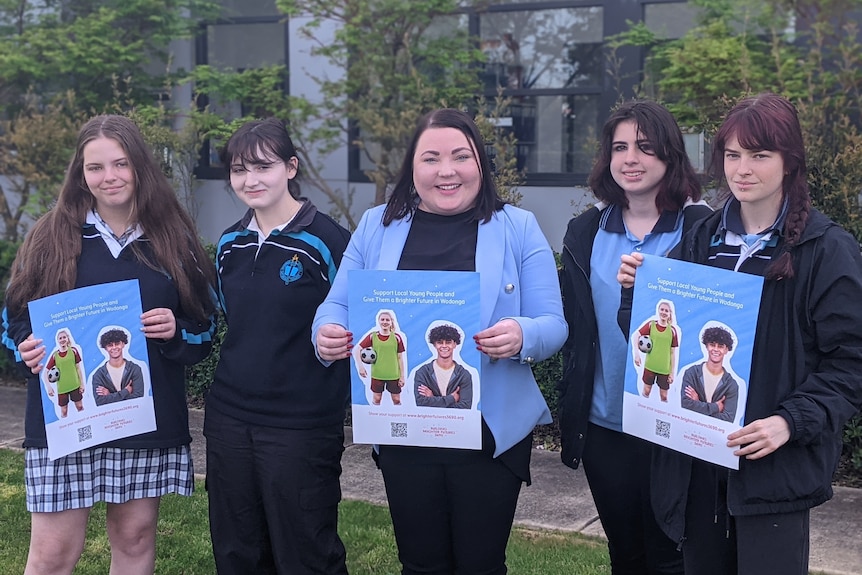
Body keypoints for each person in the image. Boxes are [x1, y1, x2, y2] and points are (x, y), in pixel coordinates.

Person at [314, 108, 566, 575]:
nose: (446, 171)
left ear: (480, 164)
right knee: (420, 563)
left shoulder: (518, 226)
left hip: (490, 431)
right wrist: (324, 332)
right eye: (431, 158)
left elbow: (554, 323)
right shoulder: (376, 226)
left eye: (460, 156)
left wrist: (521, 335)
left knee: (481, 564)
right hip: (404, 427)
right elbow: (336, 306)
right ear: (412, 168)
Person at [618, 93, 862, 575]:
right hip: (697, 465)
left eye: (759, 155)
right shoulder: (700, 238)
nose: (742, 169)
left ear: (789, 162)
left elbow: (851, 361)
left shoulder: (826, 248)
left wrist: (790, 421)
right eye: (732, 155)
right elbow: (659, 342)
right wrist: (637, 294)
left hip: (773, 472)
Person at [3, 114, 216, 575]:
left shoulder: (173, 238)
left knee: (134, 540)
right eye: (95, 167)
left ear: (140, 166)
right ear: (80, 174)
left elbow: (207, 327)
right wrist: (26, 348)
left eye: (120, 164)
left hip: (144, 418)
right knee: (53, 553)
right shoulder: (51, 235)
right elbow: (12, 318)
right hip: (66, 422)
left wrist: (175, 330)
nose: (109, 177)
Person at [558, 100, 711, 574]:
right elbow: (573, 325)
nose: (630, 158)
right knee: (626, 554)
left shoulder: (703, 228)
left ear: (670, 155)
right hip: (606, 423)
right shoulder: (585, 231)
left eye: (645, 147)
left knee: (673, 556)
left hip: (677, 424)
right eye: (620, 147)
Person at [205, 118, 351, 575]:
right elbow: (228, 318)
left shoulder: (328, 241)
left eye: (263, 166)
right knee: (237, 549)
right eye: (238, 170)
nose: (250, 180)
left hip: (301, 424)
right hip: (229, 417)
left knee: (306, 551)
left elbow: (355, 324)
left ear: (291, 167)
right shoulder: (230, 243)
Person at [680, 325, 739, 422]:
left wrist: (698, 403)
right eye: (712, 345)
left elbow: (728, 419)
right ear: (706, 346)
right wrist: (715, 407)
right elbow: (686, 405)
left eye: (720, 346)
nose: (716, 349)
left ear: (726, 350)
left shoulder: (731, 385)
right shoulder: (691, 373)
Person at [414, 323, 473, 409]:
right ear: (434, 344)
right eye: (440, 342)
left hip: (456, 422)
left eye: (448, 342)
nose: (444, 346)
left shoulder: (464, 375)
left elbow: (465, 407)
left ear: (455, 344)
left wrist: (432, 398)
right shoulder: (422, 373)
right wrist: (451, 399)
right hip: (428, 421)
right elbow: (421, 403)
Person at [355, 309, 406, 405]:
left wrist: (402, 377)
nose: (385, 322)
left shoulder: (397, 337)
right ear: (378, 321)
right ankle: (376, 419)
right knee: (377, 399)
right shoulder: (372, 336)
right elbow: (358, 350)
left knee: (396, 400)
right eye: (382, 319)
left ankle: (397, 418)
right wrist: (360, 367)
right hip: (377, 375)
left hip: (393, 375)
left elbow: (400, 358)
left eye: (387, 320)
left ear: (391, 322)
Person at [633, 299, 679, 401]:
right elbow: (636, 335)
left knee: (664, 396)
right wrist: (636, 354)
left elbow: (673, 353)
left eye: (666, 310)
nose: (664, 312)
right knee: (646, 391)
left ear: (670, 313)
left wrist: (671, 373)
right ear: (658, 310)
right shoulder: (651, 325)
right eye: (662, 309)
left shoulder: (672, 331)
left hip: (664, 369)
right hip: (650, 366)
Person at [92, 328, 145, 405]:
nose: (114, 347)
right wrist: (125, 392)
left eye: (117, 344)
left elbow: (138, 397)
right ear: (105, 348)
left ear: (123, 344)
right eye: (110, 345)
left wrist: (110, 396)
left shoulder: (134, 369)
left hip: (134, 414)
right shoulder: (98, 375)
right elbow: (100, 402)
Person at [44, 329, 86, 417]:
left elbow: (78, 368)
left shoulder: (73, 351)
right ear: (58, 340)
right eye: (60, 338)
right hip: (62, 388)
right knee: (64, 411)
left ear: (67, 339)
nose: (62, 339)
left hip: (75, 385)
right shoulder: (55, 355)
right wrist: (49, 387)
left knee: (80, 406)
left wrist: (82, 384)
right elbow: (46, 372)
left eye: (64, 337)